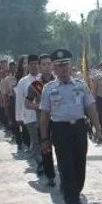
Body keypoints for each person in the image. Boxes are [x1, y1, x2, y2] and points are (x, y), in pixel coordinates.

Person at [39, 49, 102, 204]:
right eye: (59, 66)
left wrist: (98, 128)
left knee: (79, 166)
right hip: (60, 130)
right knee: (66, 167)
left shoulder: (81, 85)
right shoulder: (48, 88)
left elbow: (91, 108)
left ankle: (74, 192)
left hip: (79, 129)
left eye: (66, 64)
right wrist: (44, 139)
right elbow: (44, 116)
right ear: (54, 68)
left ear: (70, 65)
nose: (63, 68)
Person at [25, 54, 57, 186]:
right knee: (46, 149)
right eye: (43, 64)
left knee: (62, 149)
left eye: (49, 63)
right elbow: (27, 103)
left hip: (59, 121)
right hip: (43, 122)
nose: (47, 66)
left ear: (52, 65)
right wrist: (39, 106)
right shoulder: (35, 85)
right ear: (39, 66)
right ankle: (50, 176)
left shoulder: (59, 81)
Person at [16, 55, 41, 169]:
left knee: (45, 141)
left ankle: (45, 159)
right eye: (31, 64)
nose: (34, 66)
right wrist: (19, 117)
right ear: (28, 66)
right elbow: (20, 101)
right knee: (35, 141)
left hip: (45, 116)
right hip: (30, 117)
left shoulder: (45, 79)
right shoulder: (23, 81)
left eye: (36, 64)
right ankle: (40, 163)